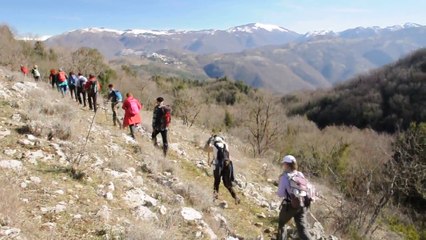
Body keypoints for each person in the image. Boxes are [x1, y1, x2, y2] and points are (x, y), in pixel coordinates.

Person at [276, 155, 313, 240]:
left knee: (282, 224)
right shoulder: (300, 174)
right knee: (302, 229)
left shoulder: (284, 177)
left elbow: (280, 193)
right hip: (302, 204)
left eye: (284, 164)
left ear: (287, 165)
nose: (283, 166)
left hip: (290, 206)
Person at [205, 135, 240, 204]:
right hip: (227, 164)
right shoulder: (225, 145)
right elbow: (227, 156)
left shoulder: (214, 145)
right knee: (227, 183)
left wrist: (209, 141)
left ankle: (214, 198)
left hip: (218, 165)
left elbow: (206, 149)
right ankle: (236, 197)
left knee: (217, 181)